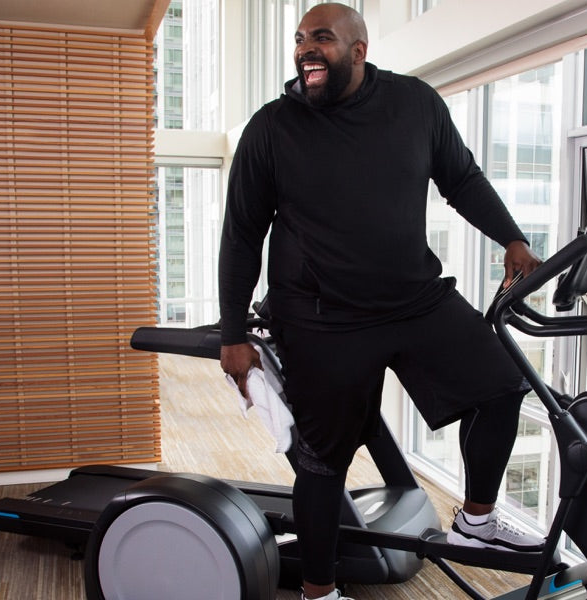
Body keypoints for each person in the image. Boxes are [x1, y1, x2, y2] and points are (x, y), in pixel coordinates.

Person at [218, 4, 544, 599]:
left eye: (321, 39)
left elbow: (461, 178)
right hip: (322, 320)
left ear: (359, 50)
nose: (305, 49)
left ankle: (476, 522)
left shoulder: (415, 104)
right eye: (300, 39)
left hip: (413, 299)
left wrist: (512, 238)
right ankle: (320, 592)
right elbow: (242, 235)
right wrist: (233, 334)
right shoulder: (271, 128)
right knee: (323, 463)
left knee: (502, 386)